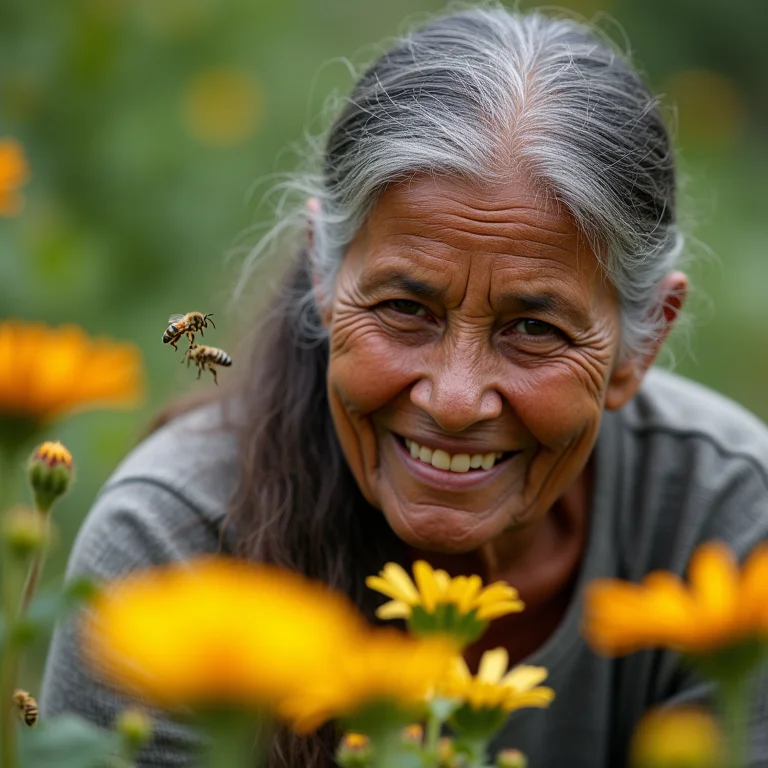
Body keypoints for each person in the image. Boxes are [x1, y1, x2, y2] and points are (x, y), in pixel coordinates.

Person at [42, 5, 768, 767]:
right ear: (324, 279)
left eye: (533, 330)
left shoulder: (731, 529)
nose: (454, 401)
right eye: (404, 310)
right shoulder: (172, 553)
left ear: (639, 345)